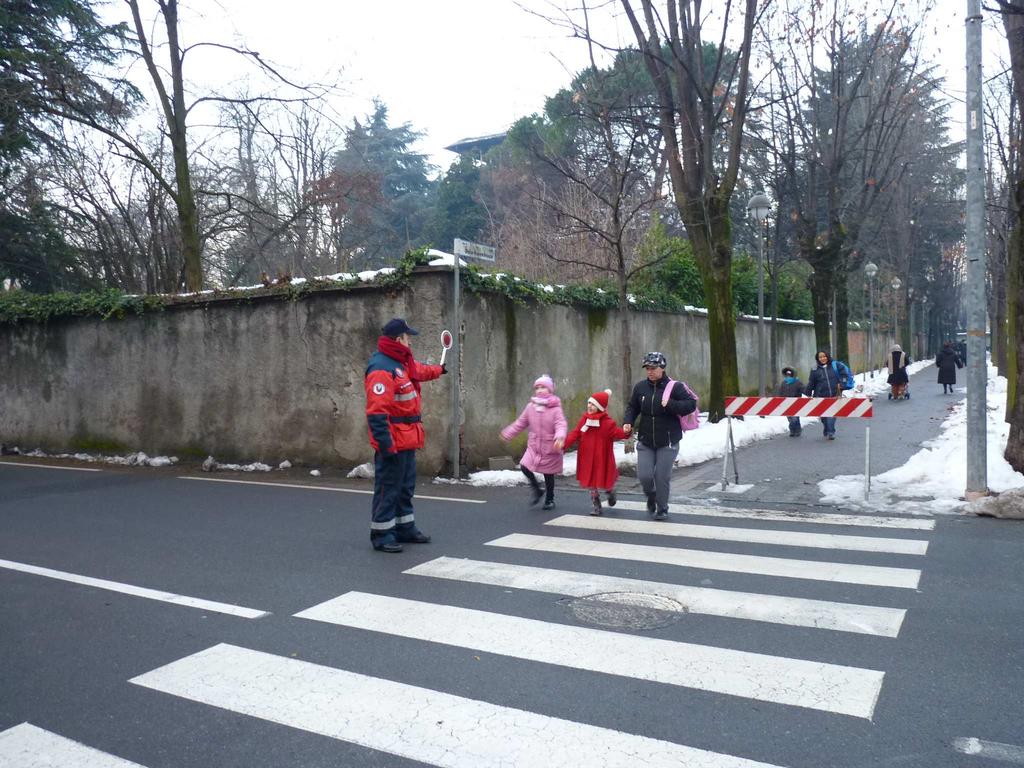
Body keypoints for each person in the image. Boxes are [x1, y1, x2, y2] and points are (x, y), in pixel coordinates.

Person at [364, 318, 446, 553]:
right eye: (408, 336)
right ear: (399, 339)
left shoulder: (400, 362)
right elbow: (377, 412)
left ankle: (404, 528)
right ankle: (381, 534)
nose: (410, 340)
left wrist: (439, 370)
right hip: (393, 439)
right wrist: (385, 445)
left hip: (407, 437)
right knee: (388, 488)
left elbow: (419, 371)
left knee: (405, 487)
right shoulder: (382, 368)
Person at [622, 352, 697, 520]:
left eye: (653, 368)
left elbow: (691, 404)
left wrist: (670, 404)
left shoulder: (675, 387)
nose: (649, 371)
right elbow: (632, 407)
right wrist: (628, 421)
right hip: (646, 440)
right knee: (645, 476)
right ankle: (651, 496)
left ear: (662, 368)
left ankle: (662, 508)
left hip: (668, 441)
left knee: (661, 476)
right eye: (647, 368)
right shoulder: (640, 387)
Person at [500, 374, 567, 510]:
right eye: (538, 387)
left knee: (548, 475)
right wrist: (508, 433)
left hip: (550, 446)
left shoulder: (555, 409)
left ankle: (550, 499)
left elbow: (561, 424)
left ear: (550, 390)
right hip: (534, 446)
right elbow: (521, 422)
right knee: (524, 466)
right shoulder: (530, 407)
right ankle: (537, 489)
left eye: (543, 387)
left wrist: (559, 437)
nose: (540, 390)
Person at [563, 389, 628, 516]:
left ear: (600, 407)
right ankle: (596, 504)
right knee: (591, 482)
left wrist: (626, 431)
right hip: (587, 457)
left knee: (606, 479)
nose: (590, 406)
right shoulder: (584, 420)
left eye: (593, 404)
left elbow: (618, 433)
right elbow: (576, 433)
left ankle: (610, 492)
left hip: (602, 458)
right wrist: (564, 444)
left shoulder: (608, 423)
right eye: (589, 403)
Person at [804, 350, 842, 440]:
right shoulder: (814, 370)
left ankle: (830, 432)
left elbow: (842, 377)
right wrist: (808, 393)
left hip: (833, 395)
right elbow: (811, 383)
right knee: (824, 417)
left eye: (824, 356)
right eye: (820, 357)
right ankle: (827, 427)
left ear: (827, 356)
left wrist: (842, 386)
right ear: (818, 359)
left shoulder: (834, 366)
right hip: (820, 396)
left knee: (831, 415)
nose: (822, 358)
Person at [778, 366, 804, 436]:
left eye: (790, 375)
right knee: (789, 418)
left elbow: (803, 390)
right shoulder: (783, 383)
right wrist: (780, 400)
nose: (788, 377)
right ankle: (792, 430)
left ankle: (797, 430)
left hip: (795, 403)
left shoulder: (798, 382)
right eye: (787, 375)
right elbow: (781, 392)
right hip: (786, 403)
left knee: (795, 418)